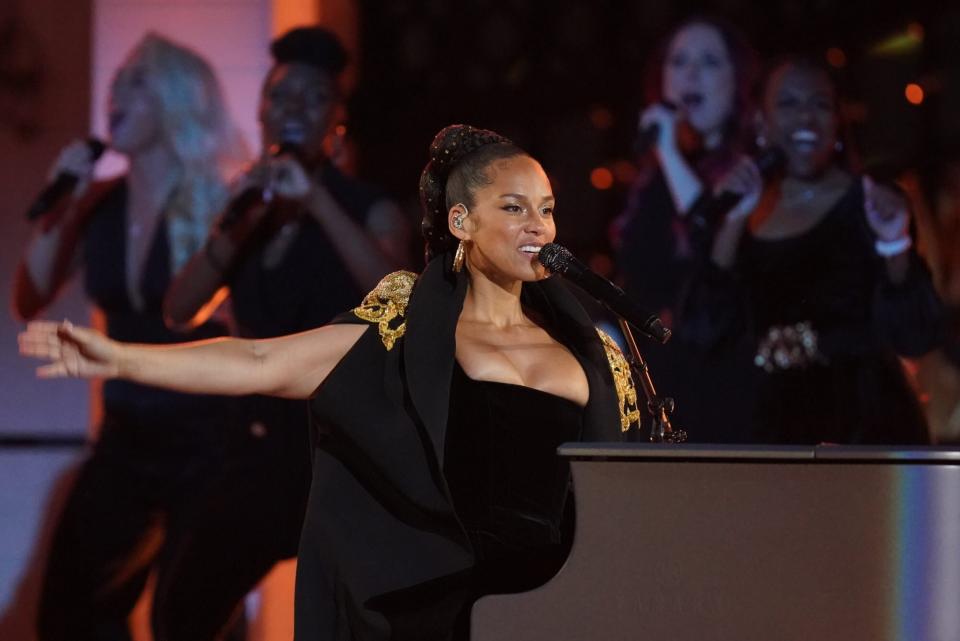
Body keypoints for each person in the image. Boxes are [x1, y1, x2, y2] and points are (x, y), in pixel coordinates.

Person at [20, 124, 640, 640]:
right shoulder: (406, 333)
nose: (538, 225)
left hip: (558, 613)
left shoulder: (592, 350)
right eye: (514, 207)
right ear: (460, 221)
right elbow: (261, 363)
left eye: (547, 209)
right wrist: (121, 358)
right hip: (445, 614)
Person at [10, 33, 260, 641]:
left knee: (194, 614)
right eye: (115, 81)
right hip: (125, 434)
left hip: (209, 436)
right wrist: (61, 201)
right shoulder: (98, 202)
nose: (116, 92)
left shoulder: (220, 197)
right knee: (74, 608)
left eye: (136, 81)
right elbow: (29, 298)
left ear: (178, 98)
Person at [160, 27, 411, 625]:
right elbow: (178, 307)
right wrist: (237, 223)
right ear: (261, 113)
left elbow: (402, 301)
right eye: (280, 95)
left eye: (313, 96)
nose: (293, 107)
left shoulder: (364, 205)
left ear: (337, 123)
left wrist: (318, 200)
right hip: (254, 449)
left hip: (339, 453)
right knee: (181, 610)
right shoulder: (247, 213)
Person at [688, 58, 943, 444]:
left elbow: (916, 334)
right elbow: (704, 331)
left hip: (865, 430)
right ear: (762, 123)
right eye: (788, 104)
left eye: (820, 104)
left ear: (838, 122)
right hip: (777, 434)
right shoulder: (742, 214)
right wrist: (734, 220)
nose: (806, 116)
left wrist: (894, 242)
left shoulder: (871, 203)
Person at [610, 16, 759, 441]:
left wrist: (668, 152)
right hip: (659, 379)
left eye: (710, 61)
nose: (691, 73)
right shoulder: (656, 177)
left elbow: (706, 233)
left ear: (738, 81)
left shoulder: (749, 172)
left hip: (723, 377)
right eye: (679, 61)